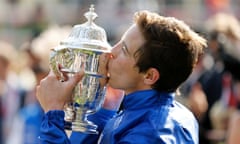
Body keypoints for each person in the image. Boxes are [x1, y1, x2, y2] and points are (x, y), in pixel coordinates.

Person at [36, 10, 207, 144]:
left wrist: (53, 111)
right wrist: (95, 95)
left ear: (149, 75)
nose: (110, 52)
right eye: (117, 42)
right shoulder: (140, 112)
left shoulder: (153, 134)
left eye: (124, 50)